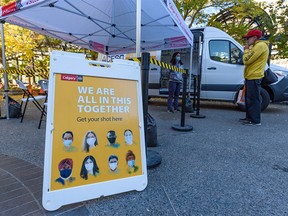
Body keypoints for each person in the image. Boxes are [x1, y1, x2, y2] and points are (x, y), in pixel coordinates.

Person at [240, 29, 269, 126]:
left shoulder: (260, 46)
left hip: (254, 76)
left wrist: (246, 50)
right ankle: (249, 118)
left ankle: (255, 120)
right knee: (249, 98)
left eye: (248, 38)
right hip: (251, 76)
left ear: (255, 38)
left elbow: (246, 60)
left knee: (253, 99)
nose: (247, 40)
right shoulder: (257, 46)